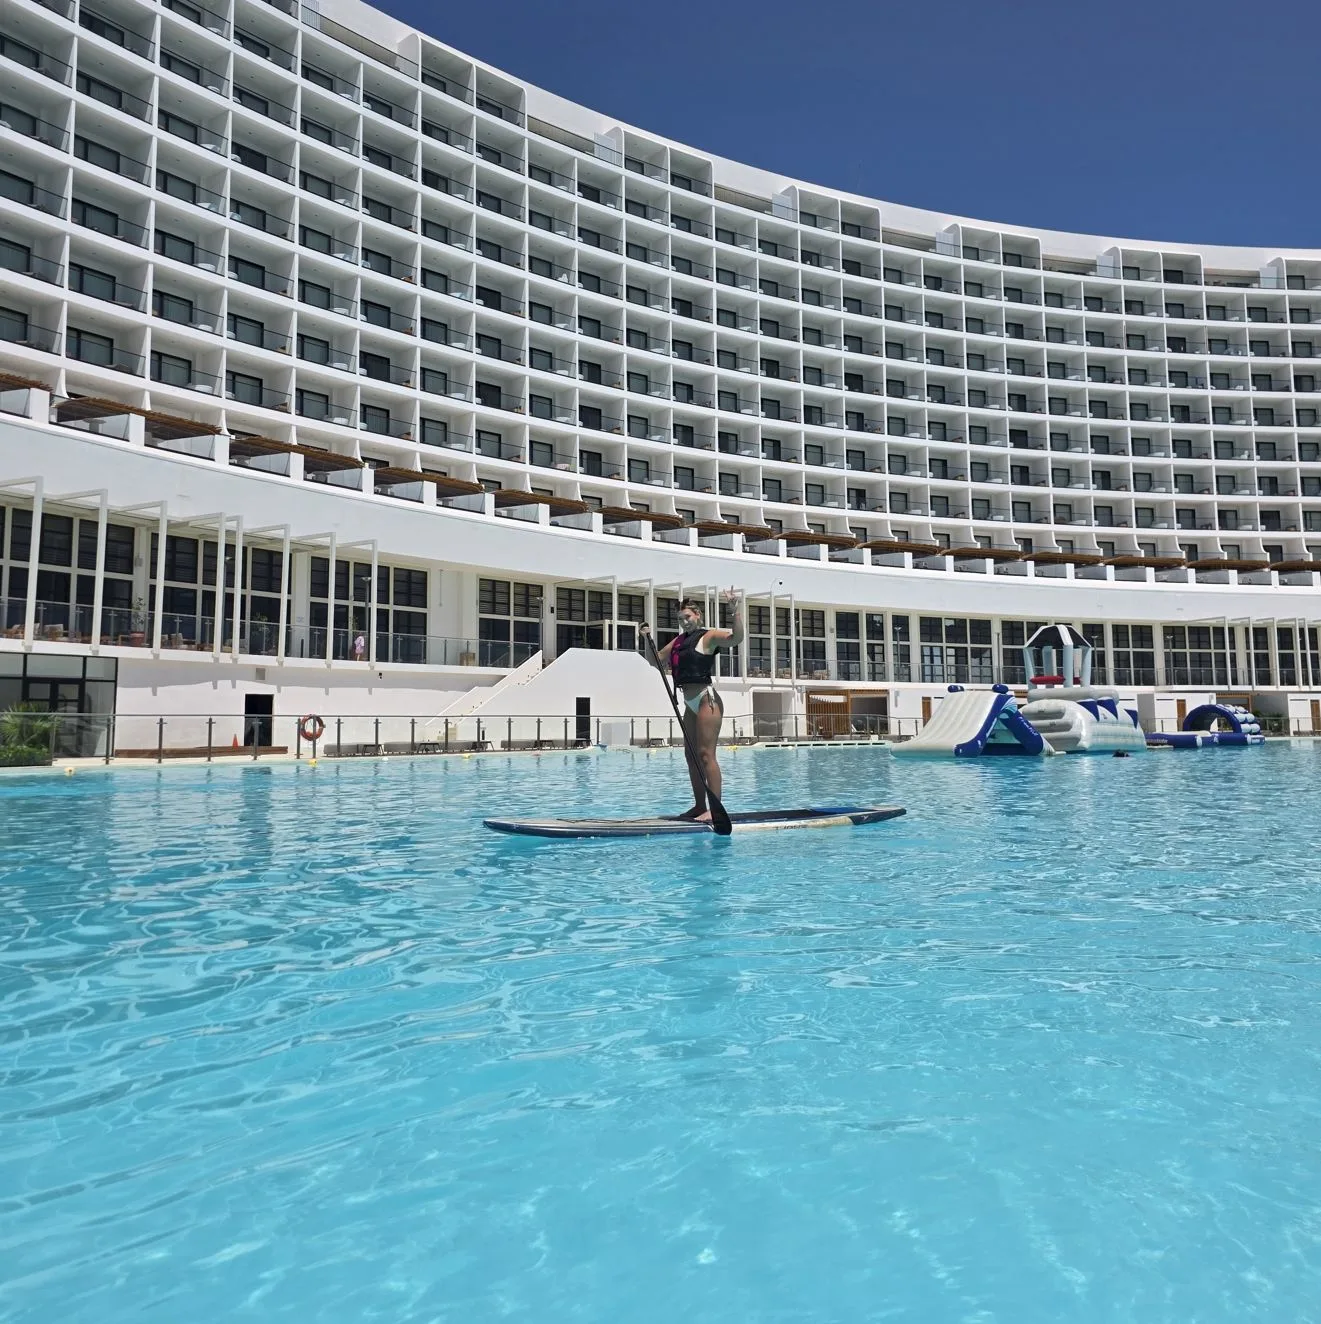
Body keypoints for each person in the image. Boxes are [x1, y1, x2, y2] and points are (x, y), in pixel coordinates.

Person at [641, 589, 744, 822]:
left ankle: (714, 809)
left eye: (687, 617)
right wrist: (646, 638)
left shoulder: (708, 637)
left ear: (697, 616)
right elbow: (654, 660)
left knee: (706, 755)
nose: (684, 622)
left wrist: (735, 611)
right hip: (690, 703)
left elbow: (736, 639)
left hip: (708, 701)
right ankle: (699, 806)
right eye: (680, 619)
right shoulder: (679, 641)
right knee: (691, 756)